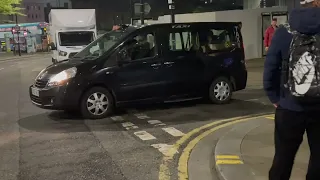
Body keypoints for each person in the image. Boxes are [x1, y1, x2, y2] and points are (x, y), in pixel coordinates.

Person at [263, 0, 320, 179]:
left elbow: (270, 69)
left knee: (283, 158)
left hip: (289, 107)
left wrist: (275, 98)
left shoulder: (283, 32)